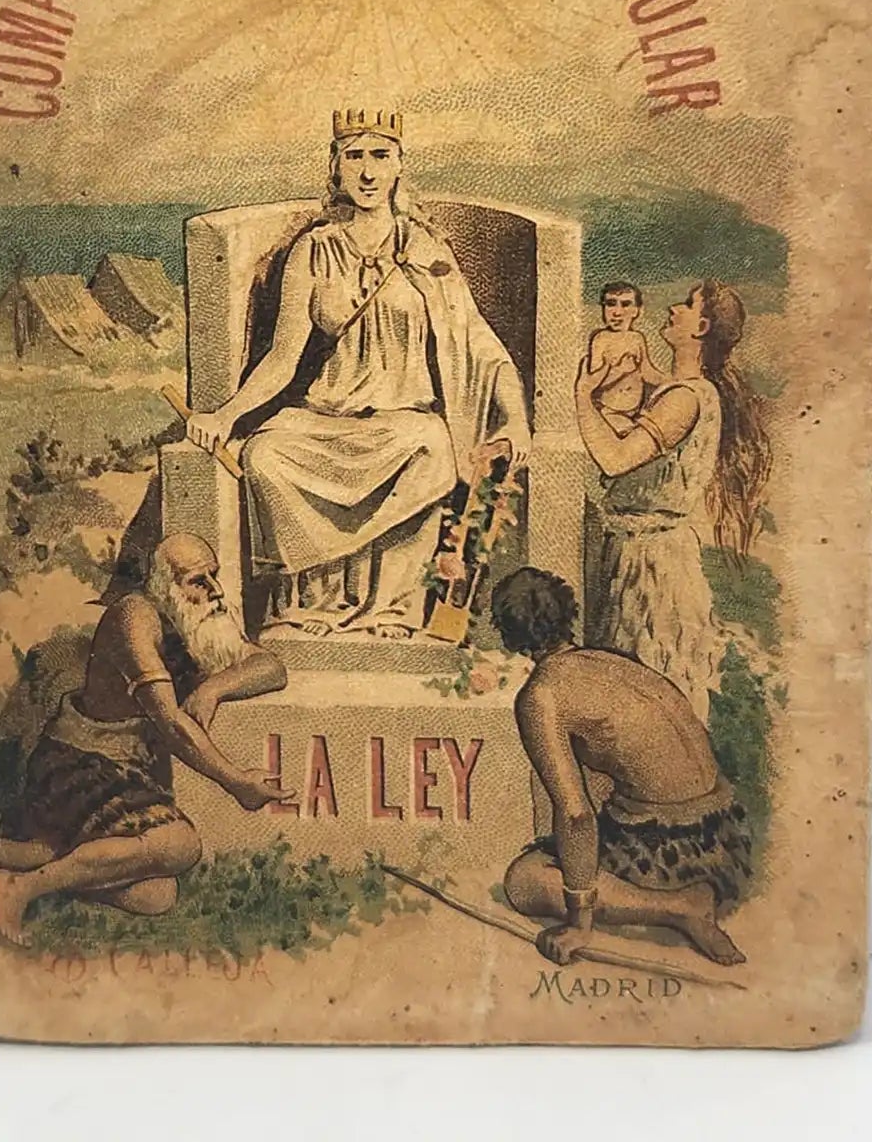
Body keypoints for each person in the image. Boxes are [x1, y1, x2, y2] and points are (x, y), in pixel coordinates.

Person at [186, 108, 530, 639]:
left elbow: (479, 344)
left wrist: (517, 418)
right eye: (355, 157)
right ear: (336, 166)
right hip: (323, 420)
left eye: (380, 156)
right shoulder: (314, 249)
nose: (368, 171)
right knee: (264, 455)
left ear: (399, 165)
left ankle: (391, 607)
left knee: (432, 450)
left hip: (403, 421)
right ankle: (311, 604)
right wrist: (225, 415)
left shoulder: (425, 250)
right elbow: (282, 358)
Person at [0, 534, 291, 946]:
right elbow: (171, 725)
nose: (216, 590)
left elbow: (271, 667)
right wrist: (237, 782)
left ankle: (46, 855)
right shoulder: (135, 618)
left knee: (157, 896)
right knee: (181, 846)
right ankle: (21, 886)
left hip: (130, 774)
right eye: (198, 581)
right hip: (80, 765)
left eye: (214, 576)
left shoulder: (196, 620)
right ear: (166, 586)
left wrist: (213, 688)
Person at [494, 567, 751, 967]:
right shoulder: (610, 661)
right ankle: (684, 898)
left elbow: (576, 815)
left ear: (508, 634)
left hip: (671, 854)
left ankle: (679, 907)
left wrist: (579, 923)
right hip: (727, 839)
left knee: (523, 881)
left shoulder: (542, 694)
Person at [574, 279, 771, 721]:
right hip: (641, 551)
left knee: (644, 693)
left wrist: (583, 397)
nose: (673, 310)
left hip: (651, 562)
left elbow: (614, 459)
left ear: (701, 327)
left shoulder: (684, 398)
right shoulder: (678, 389)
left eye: (686, 305)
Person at [584, 281, 666, 430]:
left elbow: (647, 372)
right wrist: (620, 371)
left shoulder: (637, 338)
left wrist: (670, 380)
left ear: (636, 310)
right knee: (634, 437)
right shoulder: (601, 339)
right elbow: (593, 384)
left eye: (626, 304)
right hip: (610, 412)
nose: (617, 312)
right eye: (611, 304)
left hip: (636, 411)